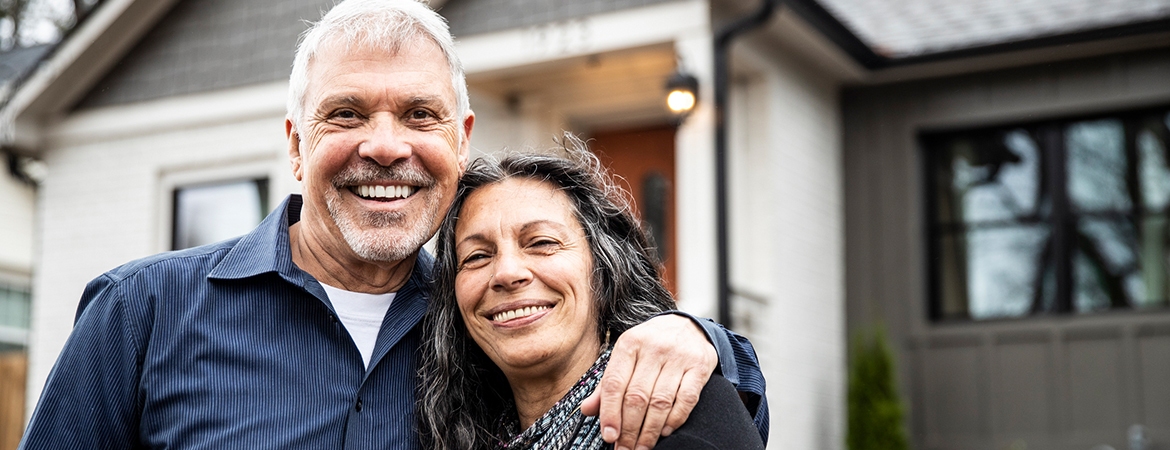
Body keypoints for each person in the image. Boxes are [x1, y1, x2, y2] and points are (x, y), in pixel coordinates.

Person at [18, 1, 767, 449]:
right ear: (294, 143)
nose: (385, 145)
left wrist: (696, 337)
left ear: (460, 140)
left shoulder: (489, 323)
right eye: (345, 114)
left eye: (419, 115)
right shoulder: (140, 312)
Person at [418, 140, 765, 449]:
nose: (507, 273)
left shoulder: (678, 410)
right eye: (477, 256)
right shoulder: (452, 430)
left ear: (605, 270)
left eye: (541, 243)